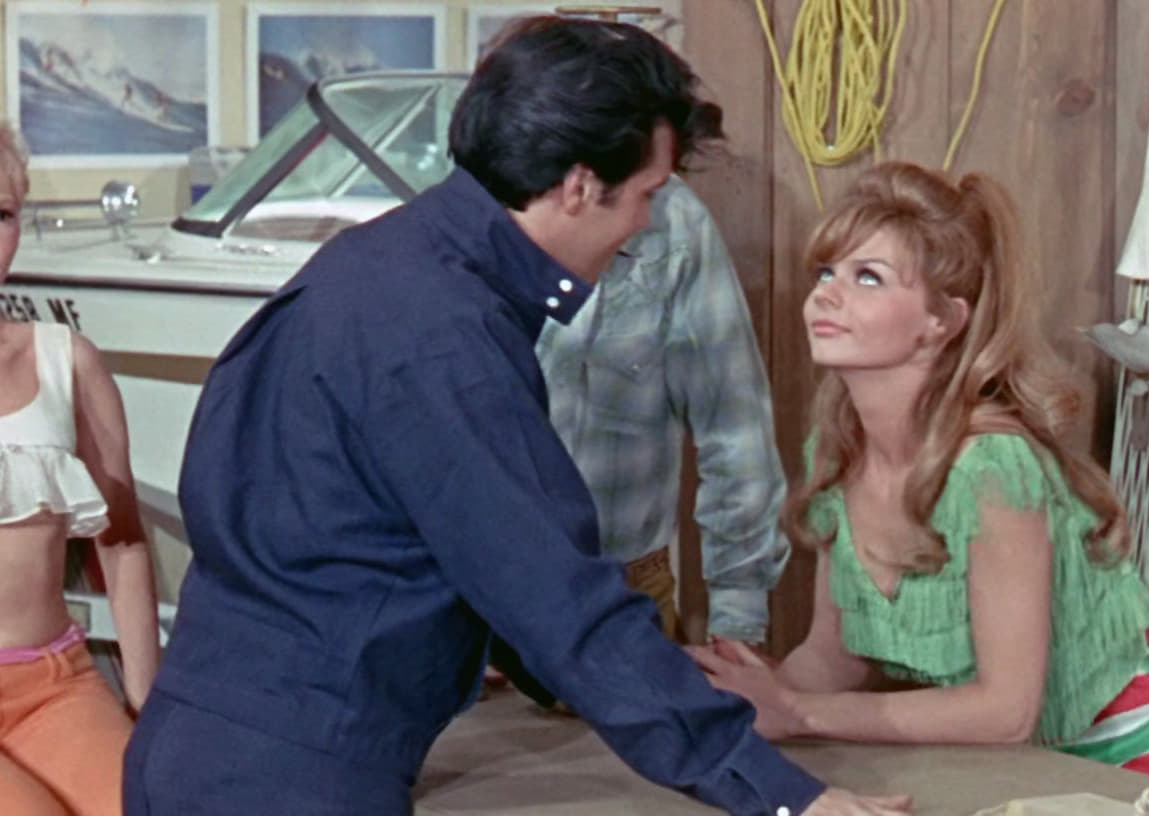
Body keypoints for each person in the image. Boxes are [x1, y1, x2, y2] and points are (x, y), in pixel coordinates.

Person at [122, 17, 909, 816]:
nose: (644, 225)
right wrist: (788, 800)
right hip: (289, 779)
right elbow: (553, 590)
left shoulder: (372, 265)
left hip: (199, 746)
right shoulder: (441, 335)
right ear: (578, 186)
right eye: (646, 196)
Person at [689, 161, 1149, 779]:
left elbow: (1006, 713)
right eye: (826, 272)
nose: (826, 294)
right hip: (1017, 765)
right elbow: (834, 655)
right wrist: (738, 704)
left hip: (1141, 746)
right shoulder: (838, 448)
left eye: (868, 277)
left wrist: (798, 712)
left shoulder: (991, 467)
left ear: (944, 321)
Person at [536, 173, 789, 646]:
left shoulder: (670, 215)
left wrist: (737, 623)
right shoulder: (477, 204)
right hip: (481, 588)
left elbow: (734, 425)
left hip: (626, 588)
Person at [0, 123, 160, 816]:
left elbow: (121, 543)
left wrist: (147, 703)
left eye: (1, 214)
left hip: (53, 686)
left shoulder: (66, 359)